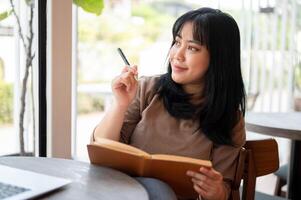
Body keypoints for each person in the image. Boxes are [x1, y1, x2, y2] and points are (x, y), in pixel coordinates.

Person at [92, 7, 246, 200]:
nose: (177, 55)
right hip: (123, 192)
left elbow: (225, 189)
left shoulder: (229, 119)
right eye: (177, 42)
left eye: (192, 48)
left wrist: (216, 191)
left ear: (218, 58)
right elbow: (103, 148)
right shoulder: (148, 88)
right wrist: (120, 104)